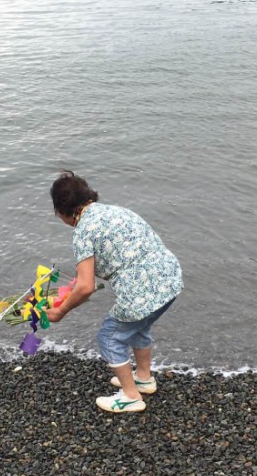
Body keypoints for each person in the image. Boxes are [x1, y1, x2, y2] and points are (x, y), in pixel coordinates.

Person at [45, 171, 183, 414]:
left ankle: (131, 397)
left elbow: (85, 287)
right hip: (170, 279)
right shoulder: (117, 212)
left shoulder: (83, 231)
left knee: (109, 337)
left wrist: (60, 311)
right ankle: (143, 378)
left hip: (142, 291)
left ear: (62, 210)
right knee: (139, 327)